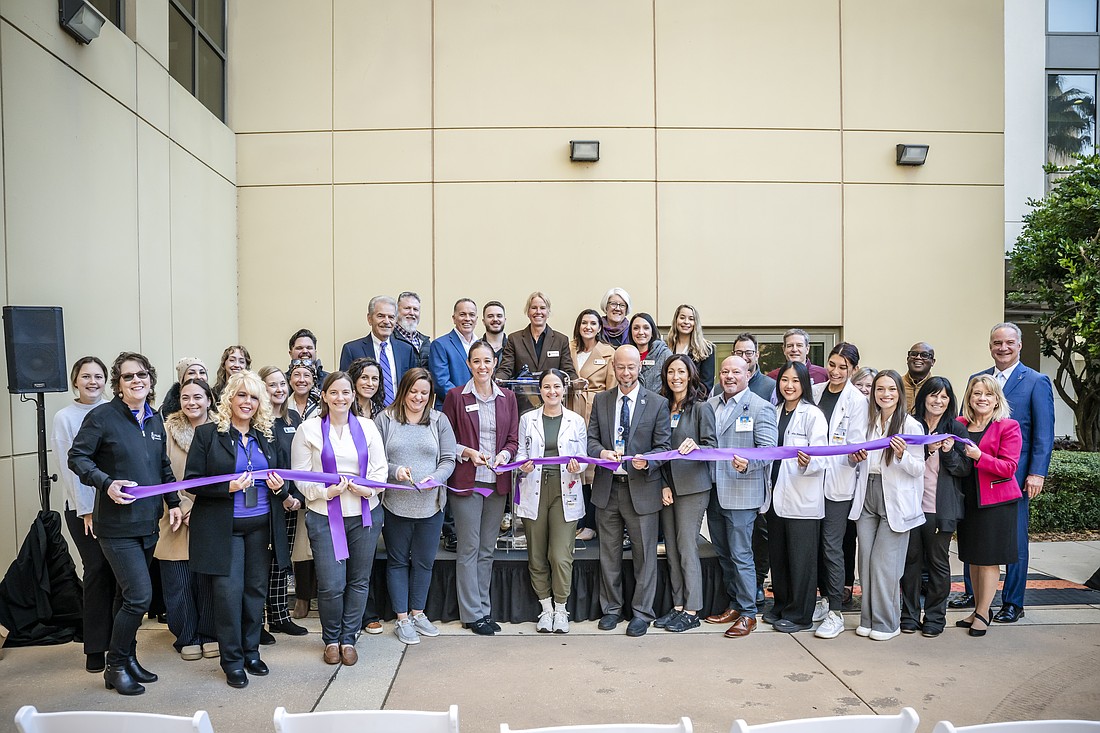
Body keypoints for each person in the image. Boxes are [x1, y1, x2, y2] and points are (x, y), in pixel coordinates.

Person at [68, 352, 182, 696]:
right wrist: (106, 483)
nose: (136, 381)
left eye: (142, 375)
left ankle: (129, 658)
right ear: (118, 385)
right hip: (116, 527)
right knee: (139, 597)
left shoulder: (154, 419)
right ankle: (114, 665)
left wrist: (173, 503)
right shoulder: (102, 417)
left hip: (148, 523)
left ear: (150, 380)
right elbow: (77, 457)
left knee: (124, 596)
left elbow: (162, 466)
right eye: (129, 377)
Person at [185, 371, 291, 688]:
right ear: (230, 398)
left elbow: (283, 481)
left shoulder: (267, 437)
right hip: (224, 530)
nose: (247, 402)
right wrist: (226, 487)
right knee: (229, 595)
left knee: (254, 593)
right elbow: (192, 482)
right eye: (242, 395)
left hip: (260, 528)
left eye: (254, 397)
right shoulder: (207, 435)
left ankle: (250, 651)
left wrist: (280, 488)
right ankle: (231, 661)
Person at [953, 323, 1054, 623]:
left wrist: (1037, 472)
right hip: (974, 476)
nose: (1003, 348)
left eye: (1009, 342)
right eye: (997, 342)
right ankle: (976, 598)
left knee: (1013, 544)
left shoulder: (1036, 381)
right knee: (974, 539)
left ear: (1019, 345)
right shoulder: (977, 379)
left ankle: (1013, 601)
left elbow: (1043, 433)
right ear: (990, 346)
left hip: (1013, 476)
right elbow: (965, 426)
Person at [291, 371, 388, 665]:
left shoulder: (368, 427)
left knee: (359, 580)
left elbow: (379, 471)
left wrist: (366, 488)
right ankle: (331, 638)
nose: (340, 398)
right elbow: (300, 476)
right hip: (324, 516)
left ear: (353, 396)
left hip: (363, 516)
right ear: (324, 396)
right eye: (334, 392)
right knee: (331, 584)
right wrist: (325, 491)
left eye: (346, 392)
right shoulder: (308, 430)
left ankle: (349, 638)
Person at [587, 345, 671, 637]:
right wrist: (600, 453)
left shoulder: (658, 403)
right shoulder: (601, 400)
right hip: (608, 488)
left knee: (645, 556)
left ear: (640, 367)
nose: (626, 373)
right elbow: (591, 440)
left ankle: (642, 613)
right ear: (614, 367)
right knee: (608, 554)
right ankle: (611, 609)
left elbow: (664, 448)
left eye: (631, 367)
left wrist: (647, 461)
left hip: (642, 489)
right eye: (620, 367)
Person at [441, 341, 519, 636]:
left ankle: (484, 610)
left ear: (495, 362)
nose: (482, 366)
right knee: (469, 548)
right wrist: (469, 453)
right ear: (469, 364)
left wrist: (505, 456)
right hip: (467, 482)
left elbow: (512, 440)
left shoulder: (508, 397)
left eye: (487, 360)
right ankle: (472, 614)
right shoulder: (455, 397)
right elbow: (446, 439)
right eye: (476, 361)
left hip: (496, 483)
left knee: (488, 549)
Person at [376, 368, 457, 645]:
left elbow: (448, 459)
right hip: (395, 507)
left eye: (424, 393)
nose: (418, 398)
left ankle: (418, 613)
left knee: (424, 562)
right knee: (398, 562)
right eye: (413, 391)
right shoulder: (385, 420)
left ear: (431, 395)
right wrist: (396, 471)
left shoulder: (439, 420)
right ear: (403, 391)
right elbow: (374, 462)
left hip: (431, 506)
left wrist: (436, 478)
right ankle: (401, 619)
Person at [848, 370, 925, 641]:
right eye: (879, 389)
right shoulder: (867, 423)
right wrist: (854, 458)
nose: (885, 394)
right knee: (866, 563)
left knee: (885, 565)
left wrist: (902, 455)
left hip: (894, 499)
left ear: (899, 393)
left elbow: (918, 469)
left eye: (891, 389)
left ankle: (887, 623)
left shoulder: (911, 425)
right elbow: (852, 459)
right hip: (867, 492)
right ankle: (867, 619)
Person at [704, 356, 777, 638]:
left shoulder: (761, 408)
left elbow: (768, 449)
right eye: (725, 371)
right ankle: (735, 604)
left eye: (736, 371)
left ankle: (749, 613)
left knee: (741, 554)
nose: (729, 376)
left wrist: (750, 463)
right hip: (714, 491)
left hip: (742, 492)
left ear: (749, 374)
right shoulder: (710, 405)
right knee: (723, 554)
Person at [50, 356, 113, 674]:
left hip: (116, 506)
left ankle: (118, 643)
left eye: (98, 376)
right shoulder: (65, 417)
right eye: (85, 376)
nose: (92, 381)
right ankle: (95, 647)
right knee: (97, 571)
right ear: (75, 380)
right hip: (83, 509)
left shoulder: (114, 410)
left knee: (120, 575)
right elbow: (70, 467)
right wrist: (87, 510)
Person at [516, 369, 587, 634]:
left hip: (564, 489)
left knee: (559, 555)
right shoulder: (528, 419)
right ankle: (545, 609)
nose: (552, 391)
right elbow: (522, 452)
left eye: (556, 386)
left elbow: (582, 457)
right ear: (540, 390)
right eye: (546, 387)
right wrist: (523, 465)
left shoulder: (575, 421)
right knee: (536, 555)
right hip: (534, 487)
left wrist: (576, 465)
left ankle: (561, 608)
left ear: (564, 388)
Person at [954, 375, 1023, 638]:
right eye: (976, 394)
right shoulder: (960, 424)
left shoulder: (1008, 426)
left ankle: (984, 611)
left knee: (989, 559)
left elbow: (1009, 467)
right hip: (967, 499)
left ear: (997, 400)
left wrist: (980, 456)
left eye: (988, 394)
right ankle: (975, 608)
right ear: (969, 398)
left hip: (995, 502)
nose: (982, 398)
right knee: (973, 556)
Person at [156, 378, 218, 661]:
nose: (191, 402)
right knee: (178, 580)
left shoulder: (221, 430)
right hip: (174, 514)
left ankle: (209, 633)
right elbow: (160, 471)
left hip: (209, 512)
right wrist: (180, 504)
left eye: (197, 397)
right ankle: (187, 635)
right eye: (185, 397)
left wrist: (200, 506)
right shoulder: (167, 431)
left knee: (206, 579)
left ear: (209, 400)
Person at [902, 377, 970, 637]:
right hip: (910, 506)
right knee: (910, 563)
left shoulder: (955, 429)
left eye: (944, 397)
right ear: (924, 398)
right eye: (933, 395)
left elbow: (964, 469)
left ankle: (934, 618)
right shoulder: (911, 425)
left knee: (938, 565)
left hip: (939, 508)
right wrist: (928, 450)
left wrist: (949, 452)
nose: (938, 401)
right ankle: (908, 615)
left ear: (950, 401)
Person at [655, 355, 717, 633]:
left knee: (686, 546)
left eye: (681, 371)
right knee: (671, 548)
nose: (675, 376)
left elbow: (712, 447)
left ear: (690, 375)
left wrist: (698, 446)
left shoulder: (701, 409)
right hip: (666, 486)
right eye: (671, 371)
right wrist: (661, 484)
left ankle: (692, 609)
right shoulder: (661, 407)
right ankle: (678, 605)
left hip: (693, 487)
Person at [764, 361, 827, 634]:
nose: (789, 386)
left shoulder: (813, 415)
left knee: (801, 560)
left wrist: (806, 463)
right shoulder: (774, 411)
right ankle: (781, 605)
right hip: (775, 494)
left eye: (795, 381)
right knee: (779, 557)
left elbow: (822, 458)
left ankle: (800, 614)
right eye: (784, 380)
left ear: (804, 384)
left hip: (802, 498)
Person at [810, 342, 868, 639]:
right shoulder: (816, 392)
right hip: (811, 480)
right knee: (816, 545)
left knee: (832, 546)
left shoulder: (857, 401)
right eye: (832, 365)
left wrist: (851, 455)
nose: (835, 371)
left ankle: (835, 611)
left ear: (853, 370)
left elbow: (853, 446)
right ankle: (822, 600)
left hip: (838, 483)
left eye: (843, 367)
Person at [257, 366, 309, 640]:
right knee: (262, 562)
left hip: (291, 505)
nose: (278, 389)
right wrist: (283, 496)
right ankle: (259, 622)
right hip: (266, 503)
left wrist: (297, 499)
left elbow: (301, 465)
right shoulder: (257, 424)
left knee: (281, 561)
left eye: (281, 384)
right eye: (271, 385)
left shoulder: (294, 421)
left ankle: (279, 615)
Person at [568, 308, 617, 542]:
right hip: (568, 407)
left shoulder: (608, 352)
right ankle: (573, 520)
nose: (588, 326)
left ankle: (590, 523)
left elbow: (610, 388)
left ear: (600, 327)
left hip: (593, 410)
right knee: (571, 462)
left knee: (591, 469)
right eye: (584, 322)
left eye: (593, 323)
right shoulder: (569, 348)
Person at [339, 295, 417, 404]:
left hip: (399, 414)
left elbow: (412, 385)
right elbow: (345, 387)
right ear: (369, 319)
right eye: (380, 316)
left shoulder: (406, 350)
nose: (386, 321)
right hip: (365, 413)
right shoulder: (352, 350)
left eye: (391, 317)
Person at [499, 291, 577, 380]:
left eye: (542, 308)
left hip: (552, 393)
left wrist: (577, 381)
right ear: (528, 312)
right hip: (523, 393)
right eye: (534, 308)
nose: (538, 312)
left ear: (548, 312)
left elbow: (568, 371)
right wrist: (495, 381)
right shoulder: (514, 339)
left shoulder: (561, 340)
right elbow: (505, 370)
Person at [430, 297, 478, 407]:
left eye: (471, 315)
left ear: (476, 319)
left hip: (477, 408)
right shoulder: (440, 344)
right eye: (462, 314)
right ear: (454, 318)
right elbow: (441, 382)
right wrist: (466, 401)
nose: (467, 318)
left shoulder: (481, 345)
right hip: (450, 407)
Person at [666, 304, 715, 388]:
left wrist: (691, 400)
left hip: (695, 399)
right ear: (676, 320)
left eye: (691, 319)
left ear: (695, 323)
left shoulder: (706, 349)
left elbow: (706, 384)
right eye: (682, 318)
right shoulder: (665, 346)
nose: (686, 322)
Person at [627, 312, 671, 393]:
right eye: (636, 328)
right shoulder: (626, 354)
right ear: (631, 332)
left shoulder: (664, 354)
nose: (641, 332)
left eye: (646, 328)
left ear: (652, 332)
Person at [394, 291, 432, 369]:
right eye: (407, 308)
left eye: (415, 309)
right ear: (397, 311)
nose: (412, 313)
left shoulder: (425, 342)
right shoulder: (389, 339)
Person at [732, 333, 776, 401]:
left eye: (749, 353)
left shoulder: (771, 388)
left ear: (757, 355)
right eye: (739, 353)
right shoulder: (719, 389)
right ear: (732, 355)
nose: (744, 357)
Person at [902, 343, 935, 411]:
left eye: (925, 355)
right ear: (907, 359)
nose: (918, 357)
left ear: (932, 362)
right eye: (914, 354)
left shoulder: (938, 388)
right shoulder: (896, 384)